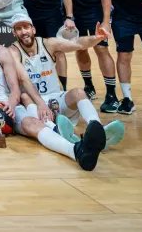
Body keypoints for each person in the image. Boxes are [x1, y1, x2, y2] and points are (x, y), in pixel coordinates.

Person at [0, 7, 105, 170]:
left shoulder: (1, 51)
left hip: (3, 100)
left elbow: (15, 88)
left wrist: (11, 102)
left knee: (32, 124)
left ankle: (77, 151)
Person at [8, 13, 126, 147]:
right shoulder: (13, 51)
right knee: (24, 96)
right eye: (18, 29)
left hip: (54, 99)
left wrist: (97, 37)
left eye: (26, 27)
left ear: (33, 29)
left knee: (79, 93)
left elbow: (77, 43)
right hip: (34, 104)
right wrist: (40, 103)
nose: (23, 32)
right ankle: (56, 130)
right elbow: (24, 80)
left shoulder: (48, 43)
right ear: (14, 33)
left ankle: (97, 129)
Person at [54, 0, 119, 113]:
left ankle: (111, 94)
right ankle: (89, 86)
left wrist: (106, 21)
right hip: (70, 14)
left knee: (101, 49)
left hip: (92, 11)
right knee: (80, 49)